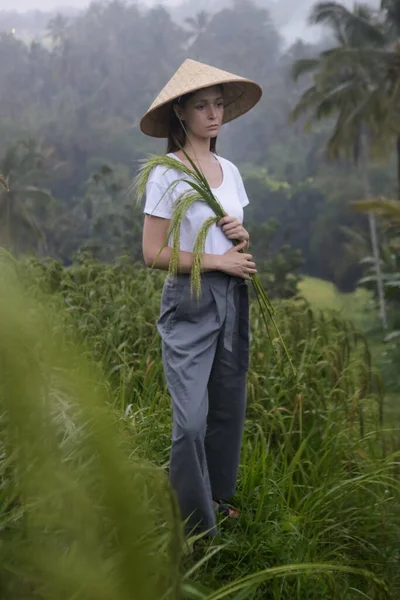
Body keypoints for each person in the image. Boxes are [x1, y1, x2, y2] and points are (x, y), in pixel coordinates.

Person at [139, 59, 262, 539]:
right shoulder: (167, 172)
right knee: (190, 420)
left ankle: (214, 500)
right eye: (201, 106)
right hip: (189, 301)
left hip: (232, 297)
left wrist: (241, 238)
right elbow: (152, 253)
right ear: (181, 115)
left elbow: (233, 241)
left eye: (218, 105)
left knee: (226, 407)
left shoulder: (229, 171)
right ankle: (190, 525)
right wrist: (218, 263)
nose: (213, 115)